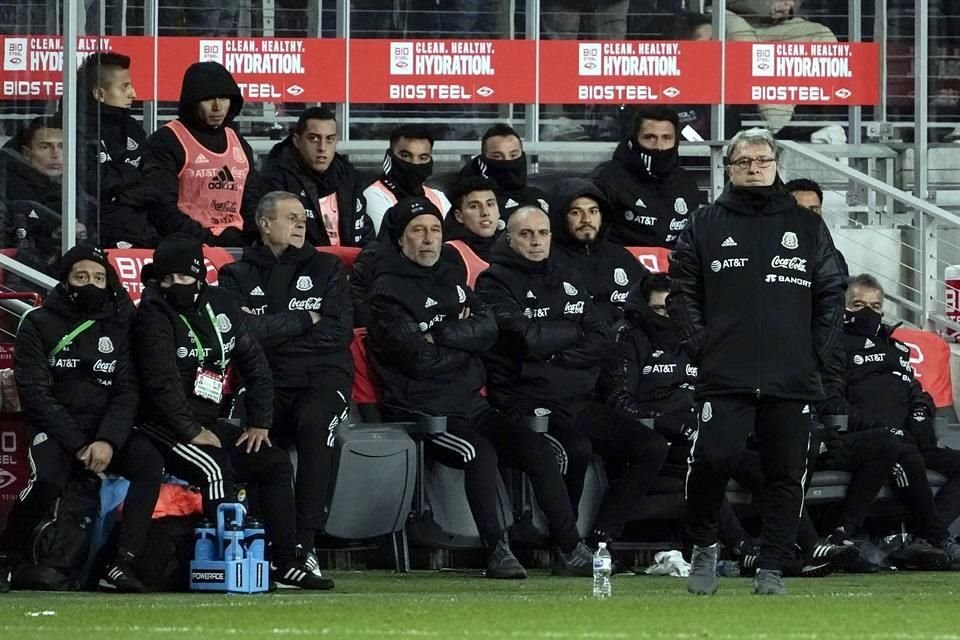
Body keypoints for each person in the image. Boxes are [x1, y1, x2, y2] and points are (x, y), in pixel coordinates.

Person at [366, 196, 595, 579]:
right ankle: (496, 550)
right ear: (400, 240)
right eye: (417, 231)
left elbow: (487, 332)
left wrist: (440, 336)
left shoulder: (452, 278)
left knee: (537, 448)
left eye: (435, 230)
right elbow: (418, 361)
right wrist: (463, 340)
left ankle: (570, 548)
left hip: (472, 404)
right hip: (426, 411)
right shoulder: (386, 292)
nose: (428, 239)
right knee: (479, 452)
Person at [669, 127, 845, 595]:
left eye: (761, 161)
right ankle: (705, 547)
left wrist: (815, 353)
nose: (753, 168)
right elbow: (682, 292)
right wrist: (702, 345)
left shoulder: (807, 225)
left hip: (792, 372)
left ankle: (771, 565)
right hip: (725, 369)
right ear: (728, 168)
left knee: (786, 473)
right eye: (743, 162)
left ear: (775, 166)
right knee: (713, 459)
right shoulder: (705, 222)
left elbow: (831, 291)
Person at [605, 273, 857, 577]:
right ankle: (745, 550)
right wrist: (674, 426)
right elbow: (620, 402)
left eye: (672, 309)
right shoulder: (628, 337)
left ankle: (807, 545)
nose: (667, 317)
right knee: (706, 469)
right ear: (642, 308)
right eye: (659, 310)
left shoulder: (696, 338)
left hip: (709, 427)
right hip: (662, 441)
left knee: (767, 469)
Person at [132, 234, 333, 590]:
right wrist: (191, 431)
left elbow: (255, 364)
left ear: (199, 276)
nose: (172, 286)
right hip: (160, 424)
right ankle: (225, 563)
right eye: (165, 279)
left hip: (208, 420)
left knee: (273, 462)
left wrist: (259, 421)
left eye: (181, 278)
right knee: (215, 467)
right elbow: (159, 383)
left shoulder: (222, 304)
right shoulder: (151, 314)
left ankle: (287, 561)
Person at [475, 205, 669, 559]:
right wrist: (570, 334)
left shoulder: (568, 274)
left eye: (543, 233)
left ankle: (600, 539)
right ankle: (563, 546)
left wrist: (554, 353)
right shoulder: (493, 281)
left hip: (578, 396)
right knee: (575, 449)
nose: (536, 241)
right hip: (526, 399)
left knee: (651, 446)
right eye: (526, 234)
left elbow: (602, 339)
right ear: (509, 238)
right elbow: (526, 340)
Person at [0, 245, 163, 593]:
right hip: (57, 430)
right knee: (47, 479)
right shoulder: (37, 323)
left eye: (100, 277)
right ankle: (6, 558)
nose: (91, 283)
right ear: (65, 281)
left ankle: (122, 563)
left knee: (149, 462)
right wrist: (78, 444)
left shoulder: (122, 325)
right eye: (82, 277)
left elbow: (127, 390)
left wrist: (107, 440)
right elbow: (35, 394)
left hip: (106, 430)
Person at [218, 191, 354, 553]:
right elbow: (237, 332)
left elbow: (338, 333)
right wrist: (302, 320)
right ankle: (258, 537)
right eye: (291, 217)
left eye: (302, 218)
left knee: (314, 428)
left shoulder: (327, 268)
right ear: (264, 224)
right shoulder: (235, 274)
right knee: (252, 438)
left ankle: (304, 545)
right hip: (264, 380)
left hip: (323, 379)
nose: (300, 224)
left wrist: (268, 330)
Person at [820, 273, 960, 567]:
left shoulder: (897, 350)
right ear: (844, 308)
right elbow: (832, 402)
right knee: (899, 448)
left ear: (883, 308)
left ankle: (923, 539)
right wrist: (883, 428)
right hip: (868, 441)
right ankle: (939, 539)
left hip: (910, 440)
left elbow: (917, 391)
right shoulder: (835, 346)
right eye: (858, 305)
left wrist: (921, 411)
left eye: (874, 305)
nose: (867, 312)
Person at [140, 62, 257, 247]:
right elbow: (161, 208)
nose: (218, 107)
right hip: (185, 247)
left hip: (237, 245)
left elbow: (252, 203)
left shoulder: (239, 143)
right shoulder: (167, 140)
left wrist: (248, 238)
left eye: (224, 98)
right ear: (192, 101)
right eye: (208, 98)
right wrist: (210, 241)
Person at [72, 52, 158, 249]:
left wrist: (120, 194)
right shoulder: (74, 130)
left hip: (144, 230)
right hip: (97, 236)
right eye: (124, 87)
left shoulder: (133, 129)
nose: (133, 94)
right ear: (99, 94)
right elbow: (95, 184)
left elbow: (156, 181)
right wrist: (132, 175)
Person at [255, 108, 373, 247]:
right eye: (314, 138)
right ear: (297, 141)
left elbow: (365, 233)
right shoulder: (276, 178)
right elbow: (277, 241)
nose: (322, 147)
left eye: (330, 139)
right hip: (301, 266)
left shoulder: (349, 177)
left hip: (348, 265)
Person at [592, 106, 706, 248]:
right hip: (620, 267)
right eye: (649, 137)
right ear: (634, 139)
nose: (658, 146)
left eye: (666, 138)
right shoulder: (608, 178)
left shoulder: (685, 182)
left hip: (673, 268)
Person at [725, 0, 839, 137]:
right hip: (733, 16)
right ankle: (777, 127)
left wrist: (790, 5)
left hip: (778, 22)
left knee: (822, 35)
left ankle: (812, 114)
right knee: (751, 47)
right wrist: (766, 6)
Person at [547, 177, 649, 326]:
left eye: (593, 211)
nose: (587, 219)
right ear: (560, 218)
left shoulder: (620, 256)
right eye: (576, 213)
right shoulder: (547, 260)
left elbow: (652, 300)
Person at [363, 125, 451, 235]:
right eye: (406, 156)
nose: (415, 163)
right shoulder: (374, 195)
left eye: (423, 158)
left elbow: (452, 239)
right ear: (390, 156)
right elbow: (388, 241)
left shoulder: (438, 197)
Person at [457, 124, 548, 221]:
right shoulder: (478, 203)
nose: (507, 161)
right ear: (483, 159)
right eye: (497, 157)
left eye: (513, 155)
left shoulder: (538, 196)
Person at [443, 177, 503, 287]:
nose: (485, 213)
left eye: (490, 204)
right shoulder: (450, 254)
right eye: (474, 206)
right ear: (459, 216)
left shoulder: (510, 247)